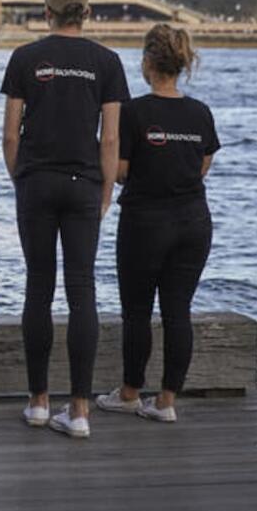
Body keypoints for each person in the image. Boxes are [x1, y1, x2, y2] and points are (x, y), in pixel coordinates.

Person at [0, 0, 129, 439]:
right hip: (83, 185)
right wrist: (107, 189)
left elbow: (11, 134)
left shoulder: (25, 58)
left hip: (36, 181)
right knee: (82, 291)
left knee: (38, 285)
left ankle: (38, 402)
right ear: (87, 13)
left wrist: (21, 178)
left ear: (47, 13)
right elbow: (111, 136)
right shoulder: (107, 62)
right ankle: (79, 411)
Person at [97, 23, 218, 423]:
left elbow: (120, 171)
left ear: (147, 63)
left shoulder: (134, 112)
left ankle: (130, 393)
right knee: (178, 311)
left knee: (137, 311)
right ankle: (166, 401)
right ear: (181, 64)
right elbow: (202, 166)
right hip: (194, 222)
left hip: (145, 224)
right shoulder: (200, 112)